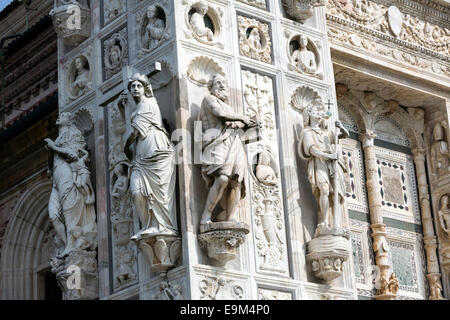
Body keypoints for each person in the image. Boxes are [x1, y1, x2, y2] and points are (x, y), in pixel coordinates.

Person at [124, 73, 177, 237]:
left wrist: (125, 146)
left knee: (160, 191)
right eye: (132, 86)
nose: (135, 89)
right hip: (141, 156)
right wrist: (122, 108)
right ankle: (147, 225)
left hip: (156, 151)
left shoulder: (148, 104)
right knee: (136, 191)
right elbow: (132, 125)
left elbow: (133, 132)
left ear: (145, 88)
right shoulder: (137, 108)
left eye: (139, 85)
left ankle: (163, 226)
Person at [198, 74, 256, 225]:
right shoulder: (209, 99)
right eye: (218, 83)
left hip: (234, 143)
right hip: (216, 143)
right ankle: (205, 216)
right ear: (211, 87)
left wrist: (248, 125)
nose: (223, 86)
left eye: (224, 83)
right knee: (222, 178)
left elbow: (233, 123)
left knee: (236, 181)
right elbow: (219, 113)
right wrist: (241, 118)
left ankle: (231, 217)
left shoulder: (229, 108)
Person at [45, 112, 97, 256]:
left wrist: (53, 147)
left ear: (70, 121)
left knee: (69, 208)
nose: (59, 117)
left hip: (69, 175)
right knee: (54, 214)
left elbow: (74, 154)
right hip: (56, 178)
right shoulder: (58, 138)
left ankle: (73, 245)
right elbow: (52, 163)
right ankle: (68, 243)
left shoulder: (73, 134)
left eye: (64, 116)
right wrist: (51, 151)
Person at [297, 105, 348, 233]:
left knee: (335, 191)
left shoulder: (326, 132)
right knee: (324, 190)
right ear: (308, 115)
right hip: (319, 162)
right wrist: (329, 155)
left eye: (319, 112)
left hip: (332, 163)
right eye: (315, 111)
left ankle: (336, 223)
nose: (318, 113)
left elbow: (343, 135)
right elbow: (312, 149)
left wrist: (341, 127)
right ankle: (324, 221)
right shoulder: (307, 132)